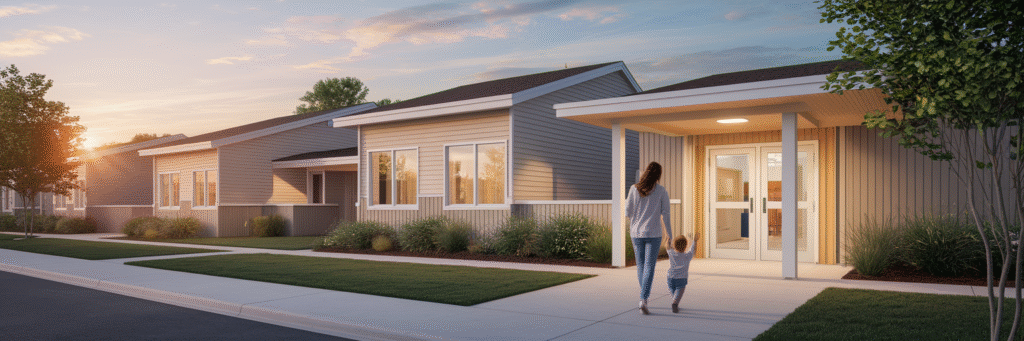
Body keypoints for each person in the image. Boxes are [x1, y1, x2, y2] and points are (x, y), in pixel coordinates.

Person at [625, 161, 671, 315]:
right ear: (659, 175)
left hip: (636, 233)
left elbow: (628, 212)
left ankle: (643, 298)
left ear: (645, 172)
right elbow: (666, 215)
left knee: (641, 266)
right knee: (649, 267)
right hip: (654, 233)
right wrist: (670, 235)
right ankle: (643, 299)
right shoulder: (661, 191)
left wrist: (637, 220)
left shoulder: (633, 189)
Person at [667, 233, 697, 313]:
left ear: (674, 245)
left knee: (672, 291)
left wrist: (668, 241)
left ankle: (674, 301)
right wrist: (695, 241)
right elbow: (693, 250)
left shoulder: (672, 254)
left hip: (670, 277)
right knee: (679, 291)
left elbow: (667, 247)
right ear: (685, 246)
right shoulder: (687, 256)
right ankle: (675, 303)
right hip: (681, 278)